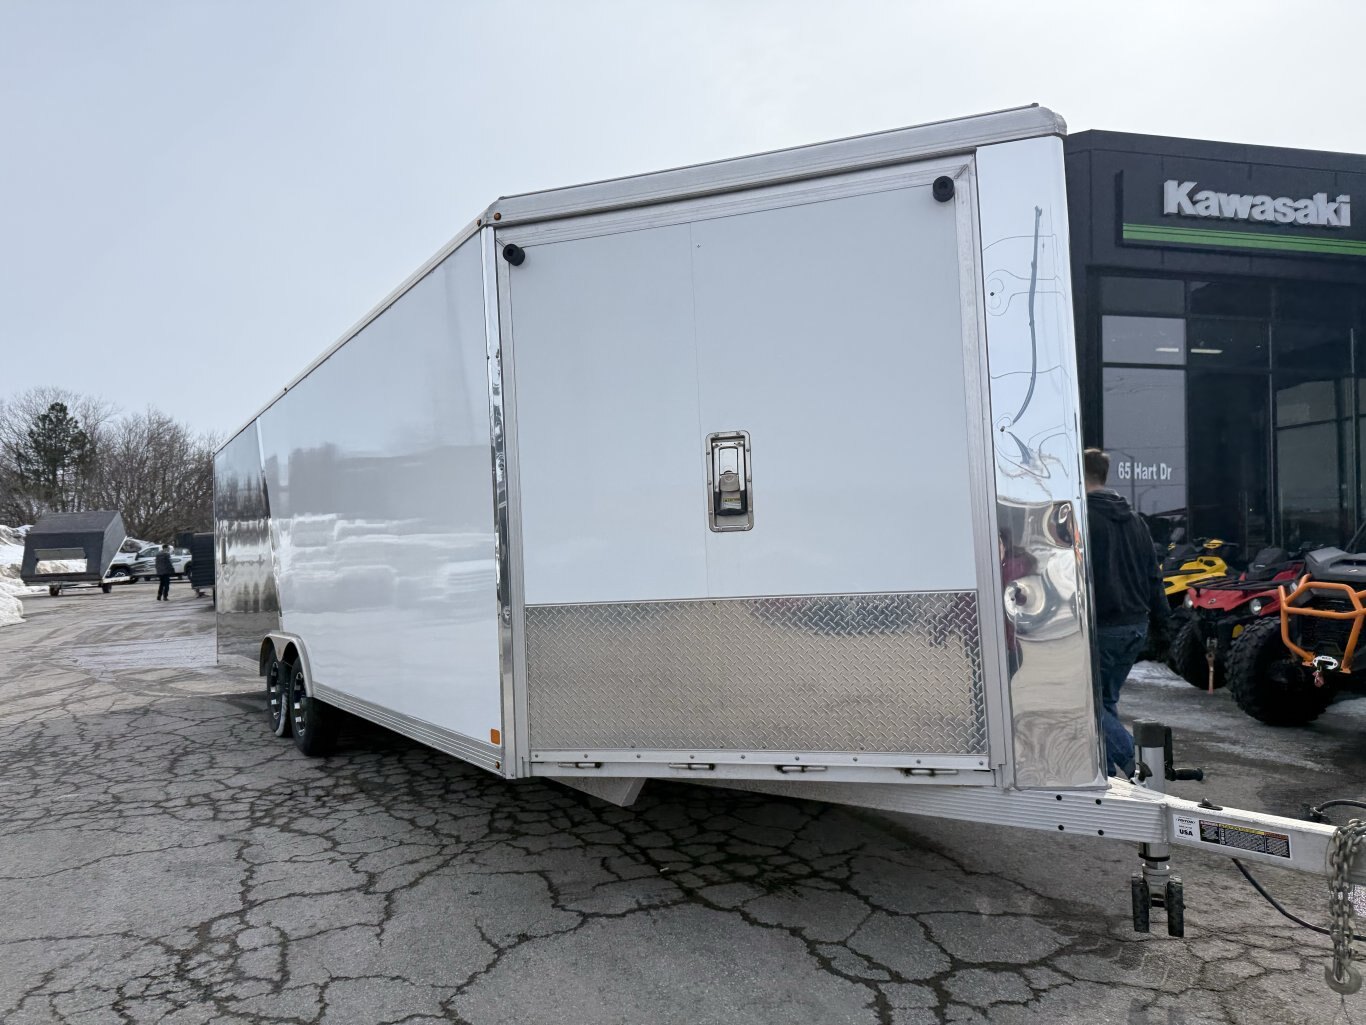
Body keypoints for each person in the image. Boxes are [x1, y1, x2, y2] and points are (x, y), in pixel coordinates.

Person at [1084, 448, 1168, 778]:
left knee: (1086, 705)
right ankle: (1104, 775)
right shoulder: (1135, 520)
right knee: (1105, 702)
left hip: (1103, 627)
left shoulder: (1082, 518)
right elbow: (1153, 575)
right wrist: (1163, 625)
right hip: (1135, 625)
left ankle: (1138, 765)